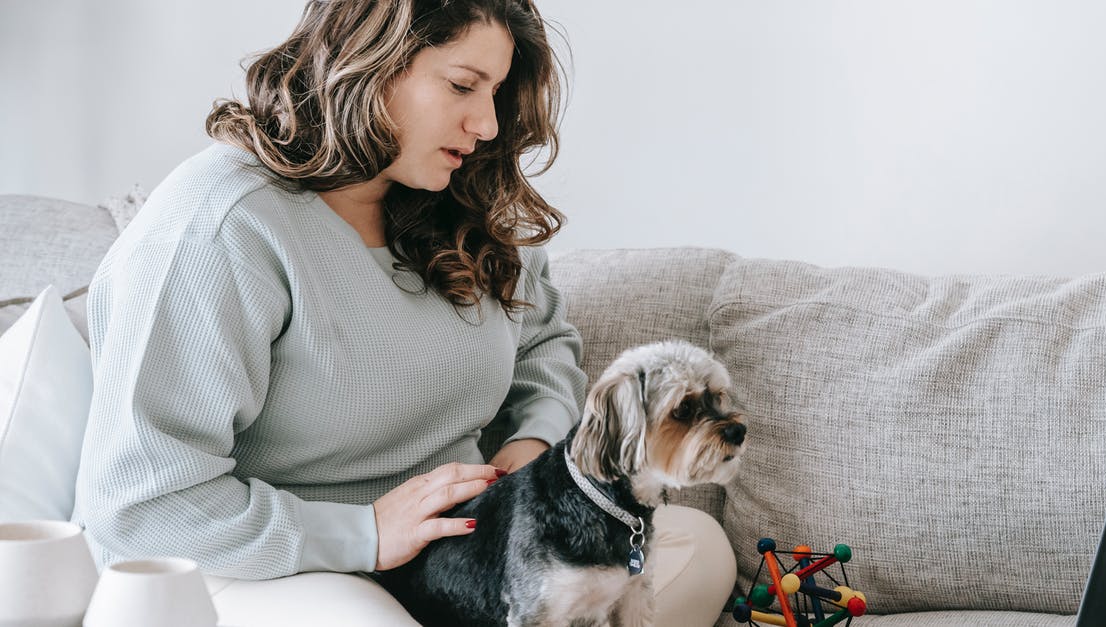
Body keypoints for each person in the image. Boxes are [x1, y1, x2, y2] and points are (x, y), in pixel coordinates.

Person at [73, 0, 735, 624]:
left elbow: (543, 346)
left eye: (496, 94)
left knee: (697, 550)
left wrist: (528, 460)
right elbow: (142, 506)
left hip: (465, 546)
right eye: (462, 86)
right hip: (267, 565)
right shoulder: (217, 230)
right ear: (369, 62)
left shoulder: (464, 196)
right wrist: (366, 533)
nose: (488, 125)